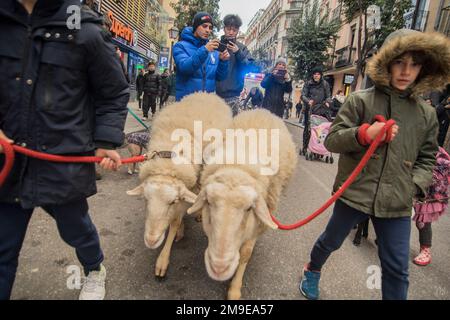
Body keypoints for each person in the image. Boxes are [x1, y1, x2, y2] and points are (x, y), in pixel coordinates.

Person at [299, 29, 449, 300]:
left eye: (414, 64)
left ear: (422, 69)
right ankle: (312, 269)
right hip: (355, 192)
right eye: (400, 62)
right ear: (387, 63)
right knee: (330, 241)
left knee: (396, 269)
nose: (406, 71)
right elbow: (331, 140)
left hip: (397, 202)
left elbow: (428, 157)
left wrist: (413, 186)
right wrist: (363, 134)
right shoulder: (359, 100)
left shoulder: (426, 115)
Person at [0, 0, 130, 300]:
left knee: (77, 229)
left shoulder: (84, 27)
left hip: (63, 159)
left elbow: (114, 91)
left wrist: (105, 142)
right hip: (8, 163)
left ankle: (95, 268)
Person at [172, 12, 230, 101]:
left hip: (207, 104)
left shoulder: (213, 50)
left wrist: (223, 61)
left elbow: (220, 77)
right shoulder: (180, 46)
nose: (208, 30)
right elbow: (185, 68)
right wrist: (204, 50)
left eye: (210, 28)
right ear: (195, 26)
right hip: (186, 103)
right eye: (204, 26)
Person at [412, 147, 450, 266]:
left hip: (430, 190)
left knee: (423, 221)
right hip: (411, 183)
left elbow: (439, 171)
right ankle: (389, 239)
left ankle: (425, 249)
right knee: (397, 212)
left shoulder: (437, 152)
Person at [216, 14, 254, 116]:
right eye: (229, 29)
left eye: (235, 29)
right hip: (215, 96)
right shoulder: (216, 45)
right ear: (224, 29)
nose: (231, 32)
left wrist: (238, 53)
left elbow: (249, 67)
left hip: (233, 96)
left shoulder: (242, 48)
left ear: (238, 31)